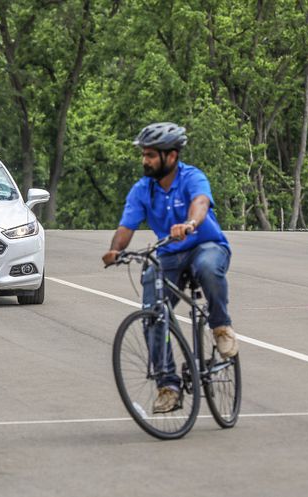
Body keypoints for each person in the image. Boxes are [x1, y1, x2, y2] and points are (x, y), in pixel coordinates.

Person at [102, 122, 239, 414]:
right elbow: (126, 226)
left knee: (207, 266)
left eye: (151, 155)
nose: (145, 161)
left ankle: (220, 326)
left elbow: (200, 203)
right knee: (153, 314)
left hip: (206, 244)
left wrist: (189, 224)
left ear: (171, 156)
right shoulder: (143, 189)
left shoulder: (192, 177)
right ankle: (168, 386)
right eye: (144, 155)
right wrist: (116, 250)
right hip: (169, 255)